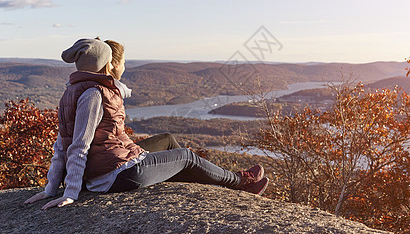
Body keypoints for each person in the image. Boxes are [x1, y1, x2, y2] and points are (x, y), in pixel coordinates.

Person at [24, 38, 269, 210]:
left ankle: (201, 180)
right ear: (106, 64)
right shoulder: (93, 94)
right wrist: (69, 193)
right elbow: (78, 146)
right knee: (185, 157)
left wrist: (50, 188)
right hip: (115, 175)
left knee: (168, 142)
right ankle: (240, 182)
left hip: (107, 170)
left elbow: (61, 145)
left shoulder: (73, 91)